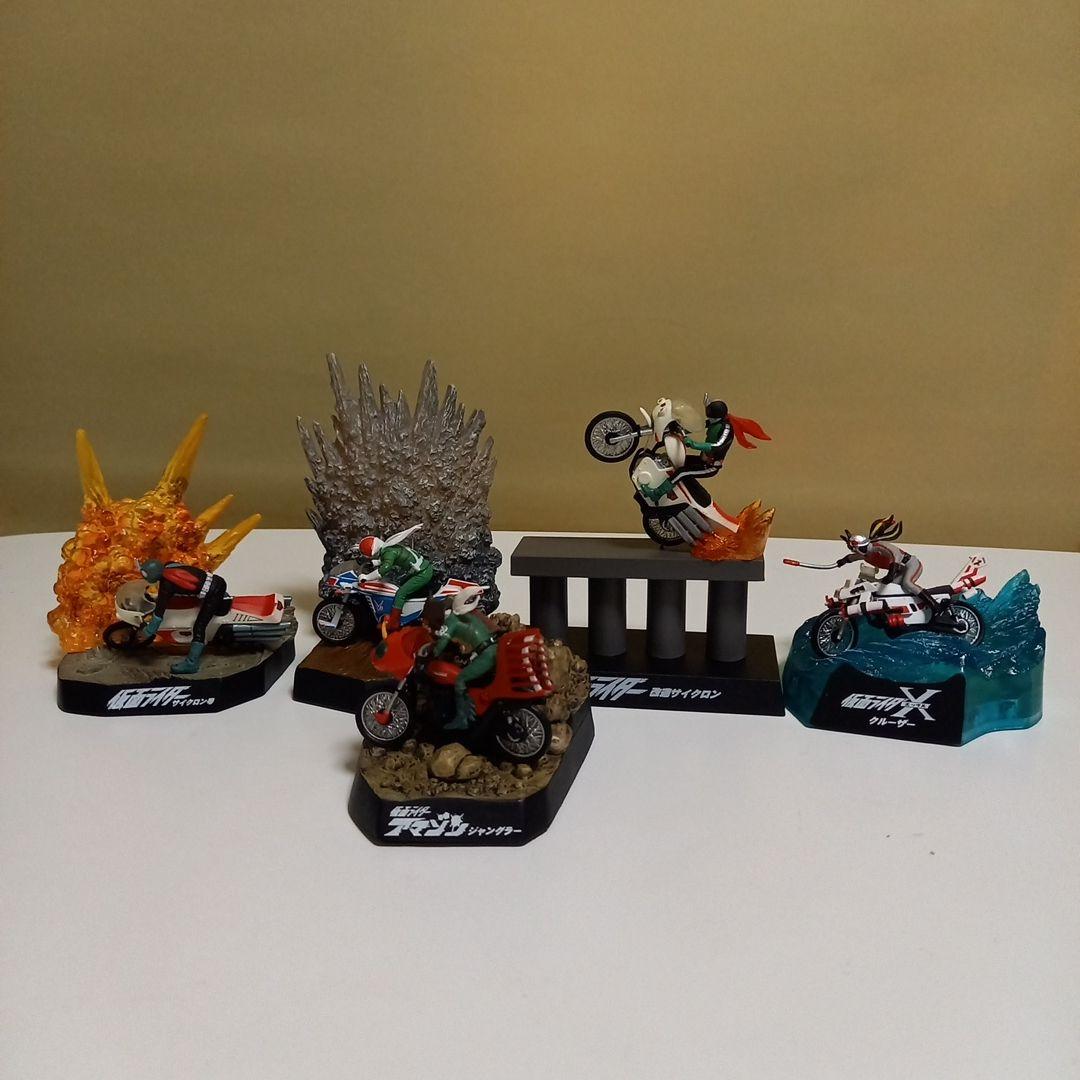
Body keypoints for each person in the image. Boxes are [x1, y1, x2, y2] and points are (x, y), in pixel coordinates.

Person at [420, 590, 497, 731]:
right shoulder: (468, 616)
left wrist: (431, 654)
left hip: (485, 655)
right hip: (490, 649)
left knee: (460, 680)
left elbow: (442, 643)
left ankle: (462, 720)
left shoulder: (451, 621)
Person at [137, 559, 230, 674]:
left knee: (199, 627)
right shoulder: (169, 565)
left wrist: (148, 632)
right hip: (216, 581)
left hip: (213, 593)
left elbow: (158, 615)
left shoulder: (166, 586)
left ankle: (191, 664)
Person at [835, 516, 942, 614]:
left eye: (859, 548)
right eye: (855, 549)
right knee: (886, 588)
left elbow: (896, 555)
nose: (858, 551)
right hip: (900, 571)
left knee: (907, 583)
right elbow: (851, 558)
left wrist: (891, 573)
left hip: (910, 564)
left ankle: (934, 606)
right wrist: (841, 562)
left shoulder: (878, 546)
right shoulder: (864, 555)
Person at [353, 524, 436, 631]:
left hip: (422, 574)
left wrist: (367, 577)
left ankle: (394, 622)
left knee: (400, 593)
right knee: (399, 584)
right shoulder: (388, 547)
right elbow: (387, 560)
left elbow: (384, 569)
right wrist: (373, 563)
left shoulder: (388, 552)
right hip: (422, 569)